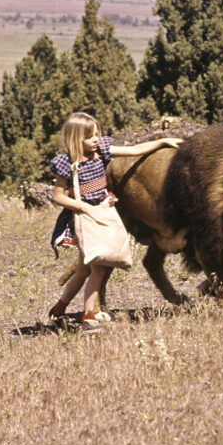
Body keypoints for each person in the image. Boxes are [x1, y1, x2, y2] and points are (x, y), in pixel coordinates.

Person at [46, 112, 181, 333]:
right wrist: (84, 207)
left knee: (83, 271)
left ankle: (58, 310)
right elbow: (57, 196)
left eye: (98, 133)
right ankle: (88, 317)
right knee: (98, 270)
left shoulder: (102, 152)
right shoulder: (67, 164)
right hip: (85, 219)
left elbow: (134, 151)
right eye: (90, 136)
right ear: (75, 139)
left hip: (103, 215)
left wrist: (162, 141)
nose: (97, 139)